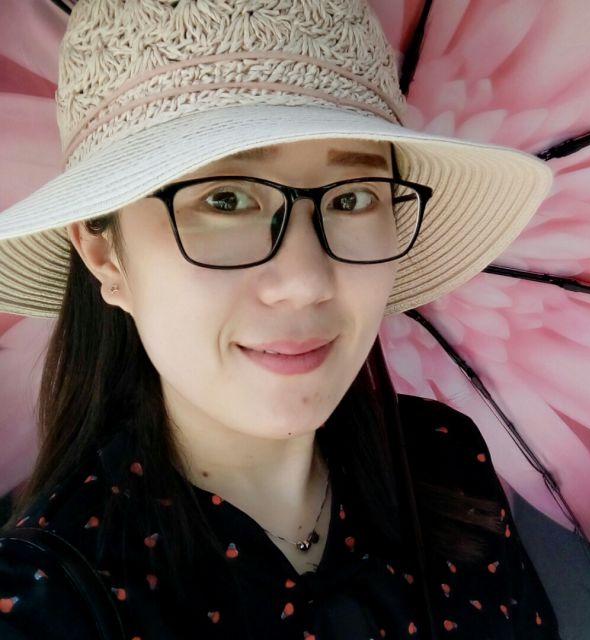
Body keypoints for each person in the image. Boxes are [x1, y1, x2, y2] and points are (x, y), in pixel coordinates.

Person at [0, 0, 561, 638]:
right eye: (226, 199)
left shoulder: (445, 462)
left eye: (352, 198)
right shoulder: (48, 601)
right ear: (106, 256)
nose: (305, 283)